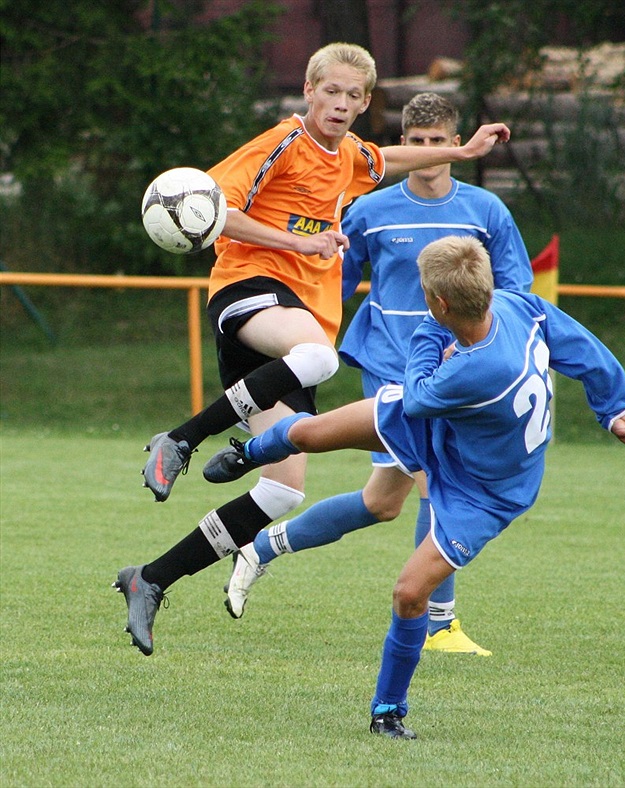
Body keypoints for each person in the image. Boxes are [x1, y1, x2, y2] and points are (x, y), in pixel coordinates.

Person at [115, 235, 625, 739]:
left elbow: (419, 393)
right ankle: (247, 451)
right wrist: (615, 410)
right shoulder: (520, 307)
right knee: (310, 433)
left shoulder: (472, 367)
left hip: (486, 490)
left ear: (439, 302)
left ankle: (387, 711)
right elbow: (587, 351)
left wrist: (431, 338)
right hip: (449, 423)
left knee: (408, 591)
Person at [121, 43, 510, 656]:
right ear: (309, 90)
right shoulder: (283, 141)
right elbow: (218, 212)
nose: (343, 104)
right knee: (319, 357)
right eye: (332, 91)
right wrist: (296, 246)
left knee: (283, 492)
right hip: (250, 291)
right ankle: (182, 439)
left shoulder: (350, 155)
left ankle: (151, 579)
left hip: (289, 331)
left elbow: (386, 157)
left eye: (356, 97)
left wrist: (461, 151)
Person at [213, 92, 533, 656]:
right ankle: (438, 624)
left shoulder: (486, 212)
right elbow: (324, 284)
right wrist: (301, 346)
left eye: (440, 142)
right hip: (394, 364)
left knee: (382, 503)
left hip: (463, 371)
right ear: (404, 144)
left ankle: (260, 548)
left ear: (455, 144)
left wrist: (500, 352)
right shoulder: (369, 210)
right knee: (439, 478)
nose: (429, 152)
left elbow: (516, 293)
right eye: (419, 142)